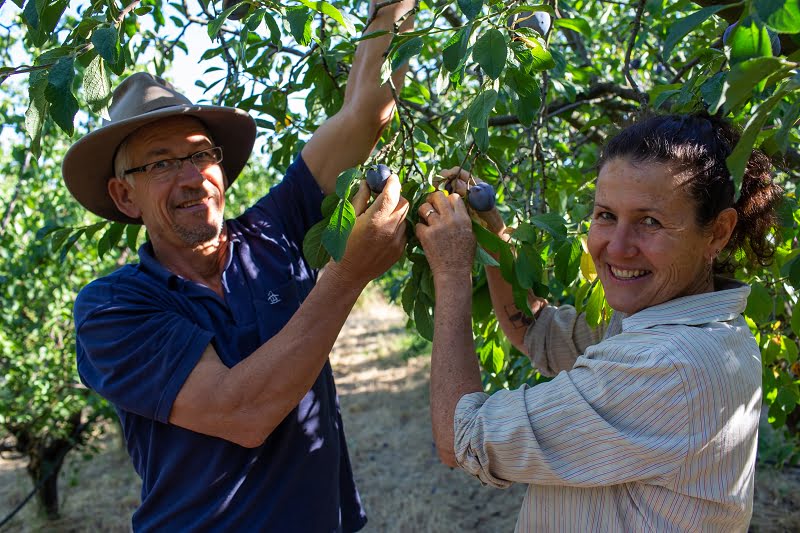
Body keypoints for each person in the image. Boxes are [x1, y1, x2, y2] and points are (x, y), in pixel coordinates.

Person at [62, 2, 414, 530]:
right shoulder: (112, 309)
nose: (191, 177)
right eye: (161, 163)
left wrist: (393, 9)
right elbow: (242, 412)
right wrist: (349, 276)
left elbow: (365, 112)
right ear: (124, 195)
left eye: (203, 154)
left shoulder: (274, 230)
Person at [415, 113, 783, 531]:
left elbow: (459, 437)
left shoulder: (665, 365)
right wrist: (491, 227)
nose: (617, 247)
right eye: (606, 215)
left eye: (650, 221)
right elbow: (534, 330)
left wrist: (450, 272)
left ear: (717, 233)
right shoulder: (682, 324)